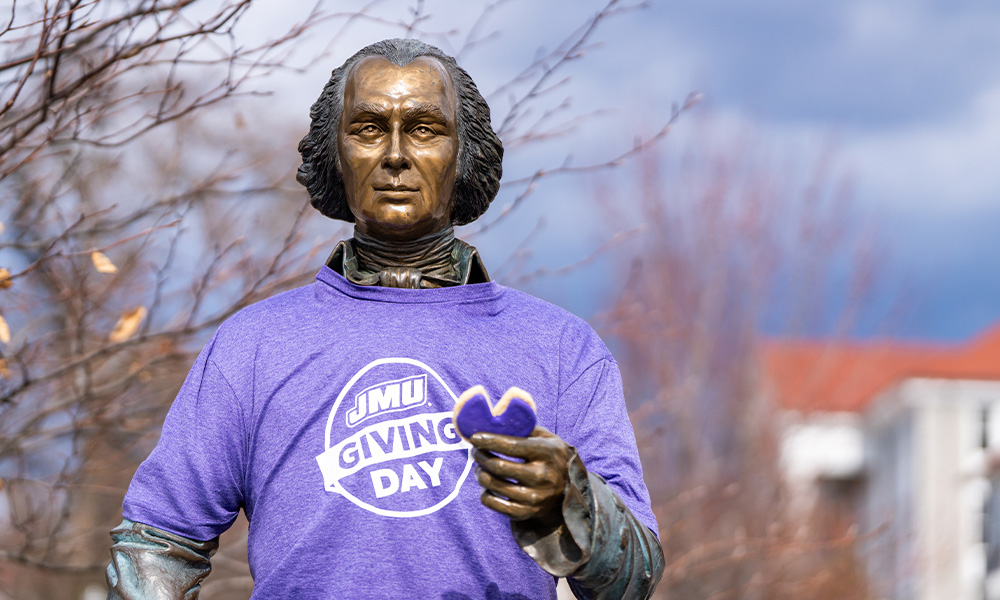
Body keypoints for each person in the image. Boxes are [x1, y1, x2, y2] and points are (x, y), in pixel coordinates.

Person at [107, 38, 664, 600]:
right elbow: (155, 547)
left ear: (466, 154)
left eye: (425, 128)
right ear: (334, 154)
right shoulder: (252, 346)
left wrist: (571, 503)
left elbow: (635, 578)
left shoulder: (561, 348)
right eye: (369, 128)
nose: (395, 154)